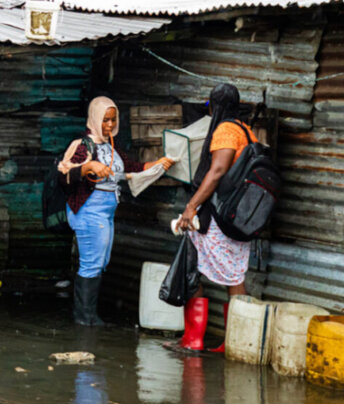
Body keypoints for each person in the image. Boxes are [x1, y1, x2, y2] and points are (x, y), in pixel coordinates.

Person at [59, 96, 175, 326]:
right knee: (91, 262)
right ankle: (84, 317)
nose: (110, 125)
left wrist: (158, 164)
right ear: (94, 118)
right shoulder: (83, 146)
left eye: (113, 120)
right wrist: (89, 166)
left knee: (100, 261)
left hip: (106, 212)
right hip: (89, 210)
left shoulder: (111, 145)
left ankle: (89, 315)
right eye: (105, 120)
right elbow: (64, 177)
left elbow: (131, 168)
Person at [169, 83, 256, 352]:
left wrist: (191, 207)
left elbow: (217, 171)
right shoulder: (247, 131)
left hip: (219, 216)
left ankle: (194, 340)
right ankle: (233, 342)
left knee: (195, 269)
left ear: (214, 106)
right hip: (239, 219)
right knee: (234, 276)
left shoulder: (226, 130)